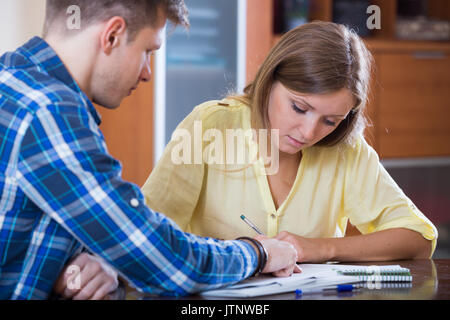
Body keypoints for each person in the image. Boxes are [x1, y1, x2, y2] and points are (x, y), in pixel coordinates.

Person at [0, 0, 299, 300]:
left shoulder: (12, 80)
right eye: (148, 51)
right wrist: (258, 252)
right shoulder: (51, 113)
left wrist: (106, 261)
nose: (147, 73)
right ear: (113, 35)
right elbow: (167, 263)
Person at [142, 21, 438, 264]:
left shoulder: (346, 149)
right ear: (270, 80)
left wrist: (322, 248)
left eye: (330, 120)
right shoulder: (208, 126)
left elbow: (418, 238)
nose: (309, 132)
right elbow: (146, 231)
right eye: (299, 107)